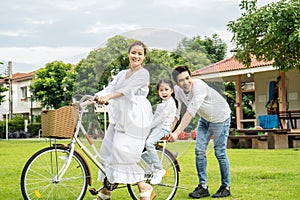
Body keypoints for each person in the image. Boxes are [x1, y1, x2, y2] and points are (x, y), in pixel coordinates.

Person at [94, 41, 156, 200]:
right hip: (120, 117)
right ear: (128, 54)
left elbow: (127, 90)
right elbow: (111, 88)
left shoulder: (143, 74)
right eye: (133, 52)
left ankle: (144, 187)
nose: (136, 56)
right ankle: (106, 192)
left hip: (135, 117)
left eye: (140, 54)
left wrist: (109, 97)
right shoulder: (122, 73)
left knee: (121, 152)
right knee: (107, 152)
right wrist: (99, 95)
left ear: (144, 57)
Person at [168, 65, 231, 198]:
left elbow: (191, 112)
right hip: (206, 120)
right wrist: (169, 130)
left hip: (221, 118)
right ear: (176, 83)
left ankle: (226, 187)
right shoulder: (178, 91)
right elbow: (177, 113)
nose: (186, 83)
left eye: (187, 78)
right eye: (181, 80)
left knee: (219, 153)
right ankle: (203, 187)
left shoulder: (199, 86)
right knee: (199, 151)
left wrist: (177, 133)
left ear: (191, 77)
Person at [144, 79, 177, 185]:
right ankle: (151, 167)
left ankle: (158, 169)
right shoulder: (162, 104)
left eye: (166, 89)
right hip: (156, 128)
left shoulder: (170, 104)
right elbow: (154, 118)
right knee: (139, 145)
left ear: (171, 90)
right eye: (161, 90)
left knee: (149, 143)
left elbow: (160, 120)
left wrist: (147, 127)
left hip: (163, 128)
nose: (164, 92)